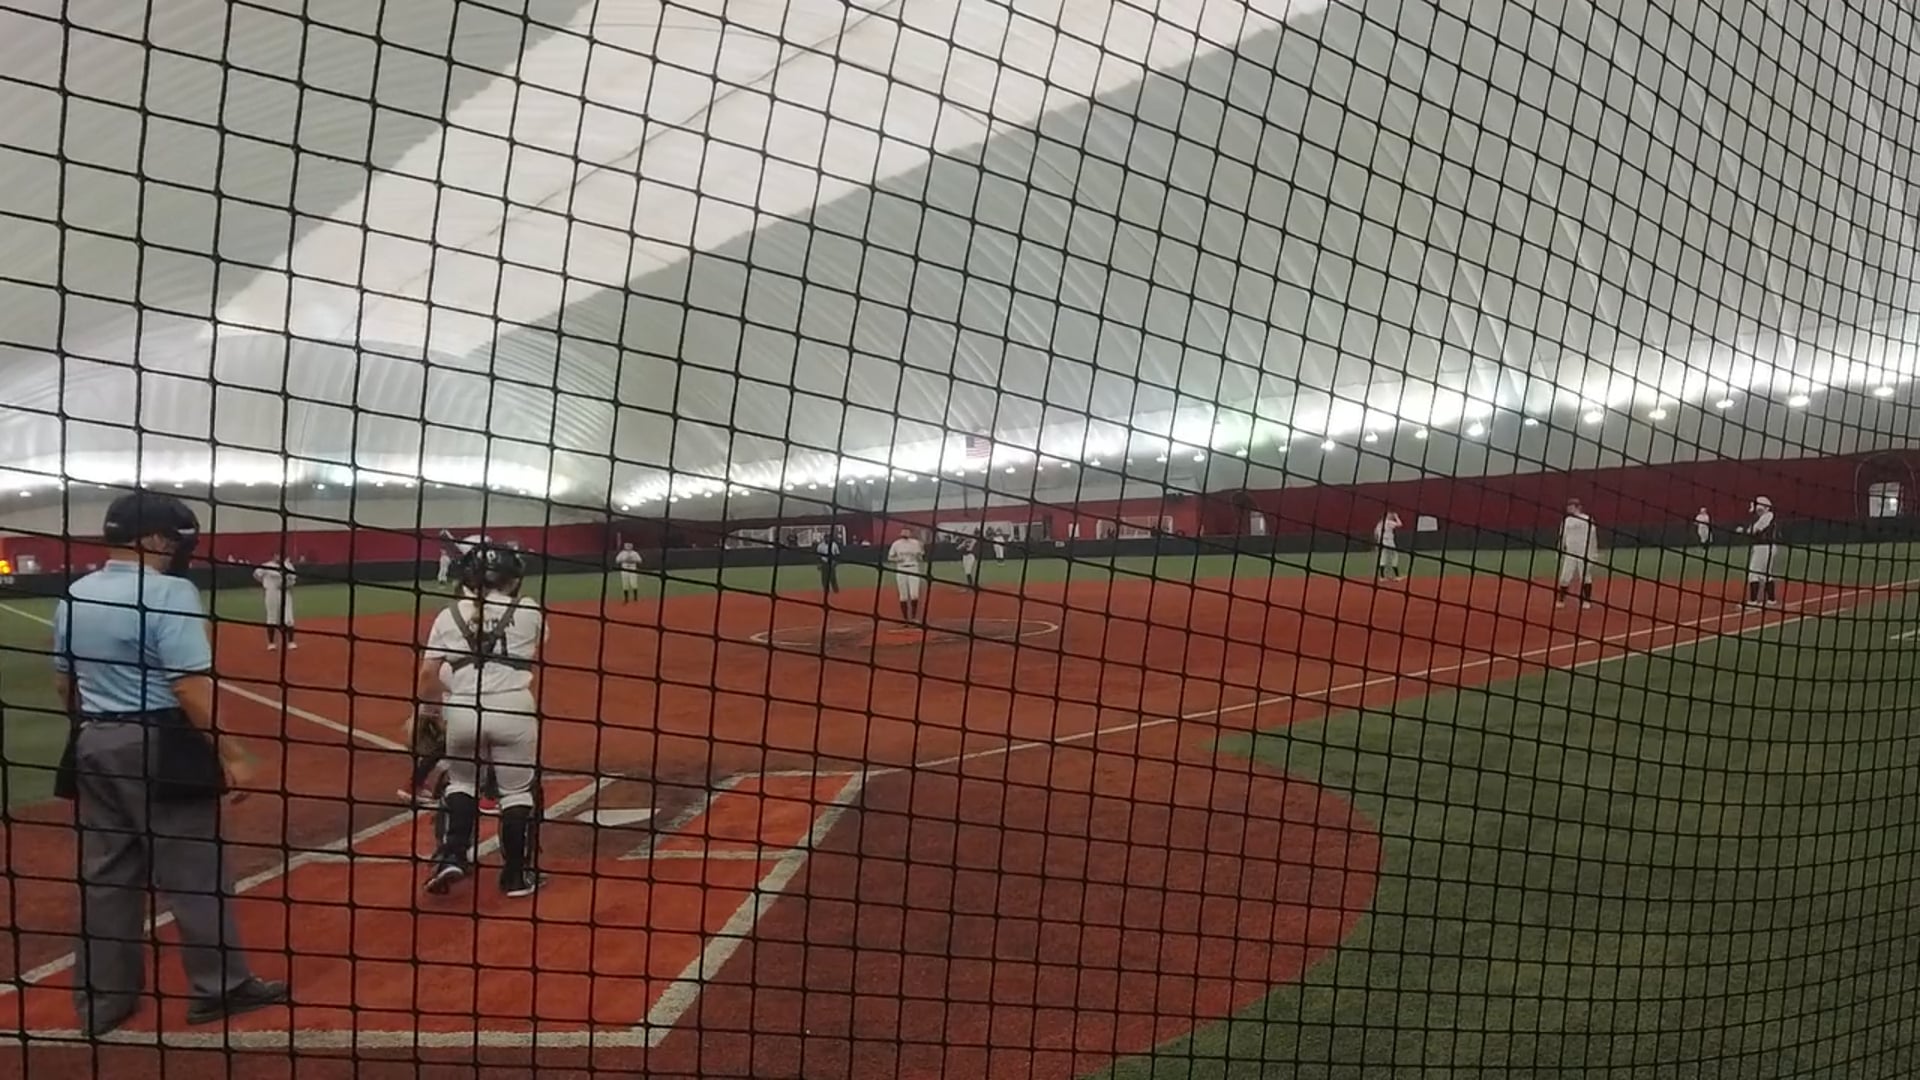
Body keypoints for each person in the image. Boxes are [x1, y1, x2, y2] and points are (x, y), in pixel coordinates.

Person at [52, 492, 289, 1036]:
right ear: (156, 540)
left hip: (92, 741)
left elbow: (65, 684)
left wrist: (95, 729)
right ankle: (220, 987)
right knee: (194, 872)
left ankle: (104, 1001)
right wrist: (232, 754)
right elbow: (188, 685)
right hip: (162, 743)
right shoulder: (169, 592)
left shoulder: (76, 593)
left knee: (107, 876)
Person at [417, 537, 548, 897]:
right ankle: (515, 877)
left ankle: (452, 855)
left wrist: (430, 718)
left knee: (461, 785)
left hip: (462, 711)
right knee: (516, 792)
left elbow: (428, 676)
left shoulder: (448, 615)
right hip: (513, 708)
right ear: (512, 578)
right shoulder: (529, 610)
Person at [1736, 495, 1781, 607]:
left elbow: (1754, 530)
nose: (1756, 512)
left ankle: (1753, 602)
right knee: (1766, 574)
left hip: (1763, 548)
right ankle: (1771, 600)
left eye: (1758, 510)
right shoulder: (1766, 517)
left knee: (1753, 573)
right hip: (1766, 547)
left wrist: (1742, 530)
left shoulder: (1767, 516)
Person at [1556, 498, 1599, 610]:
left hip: (1584, 552)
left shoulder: (1587, 519)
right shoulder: (1567, 520)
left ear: (1577, 507)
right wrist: (1560, 549)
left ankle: (1587, 601)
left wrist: (1593, 553)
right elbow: (1562, 536)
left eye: (1571, 506)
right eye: (1568, 506)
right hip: (1570, 552)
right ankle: (1561, 599)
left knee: (1585, 576)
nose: (1569, 508)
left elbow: (1593, 537)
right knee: (1565, 576)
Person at [252, 552, 297, 650]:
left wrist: (288, 584)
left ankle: (291, 642)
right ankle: (271, 643)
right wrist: (265, 582)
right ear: (274, 556)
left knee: (288, 617)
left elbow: (293, 579)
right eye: (277, 555)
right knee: (271, 617)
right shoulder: (266, 565)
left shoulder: (288, 565)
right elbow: (256, 574)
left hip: (284, 592)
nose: (279, 557)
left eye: (281, 555)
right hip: (271, 592)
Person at [886, 526, 928, 623]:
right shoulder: (896, 544)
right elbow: (890, 557)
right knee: (903, 595)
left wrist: (920, 554)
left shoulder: (916, 543)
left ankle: (913, 617)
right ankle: (905, 619)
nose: (905, 533)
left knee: (914, 594)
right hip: (901, 569)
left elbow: (921, 558)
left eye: (907, 531)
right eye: (903, 531)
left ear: (910, 533)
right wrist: (897, 559)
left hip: (913, 568)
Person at [1373, 511, 1404, 580]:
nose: (1390, 516)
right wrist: (1396, 516)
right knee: (1394, 556)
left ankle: (1382, 577)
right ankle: (1397, 576)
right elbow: (1400, 524)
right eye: (1389, 515)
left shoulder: (1380, 524)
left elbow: (1375, 533)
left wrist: (1377, 543)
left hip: (1381, 542)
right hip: (1389, 542)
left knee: (1383, 558)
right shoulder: (1389, 522)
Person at [815, 529, 843, 594]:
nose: (827, 538)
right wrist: (819, 564)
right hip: (824, 562)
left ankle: (836, 590)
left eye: (828, 537)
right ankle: (826, 590)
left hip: (831, 562)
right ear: (824, 538)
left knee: (833, 577)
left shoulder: (834, 545)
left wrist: (835, 562)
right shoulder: (820, 545)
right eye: (826, 537)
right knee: (824, 578)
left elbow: (837, 554)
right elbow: (818, 556)